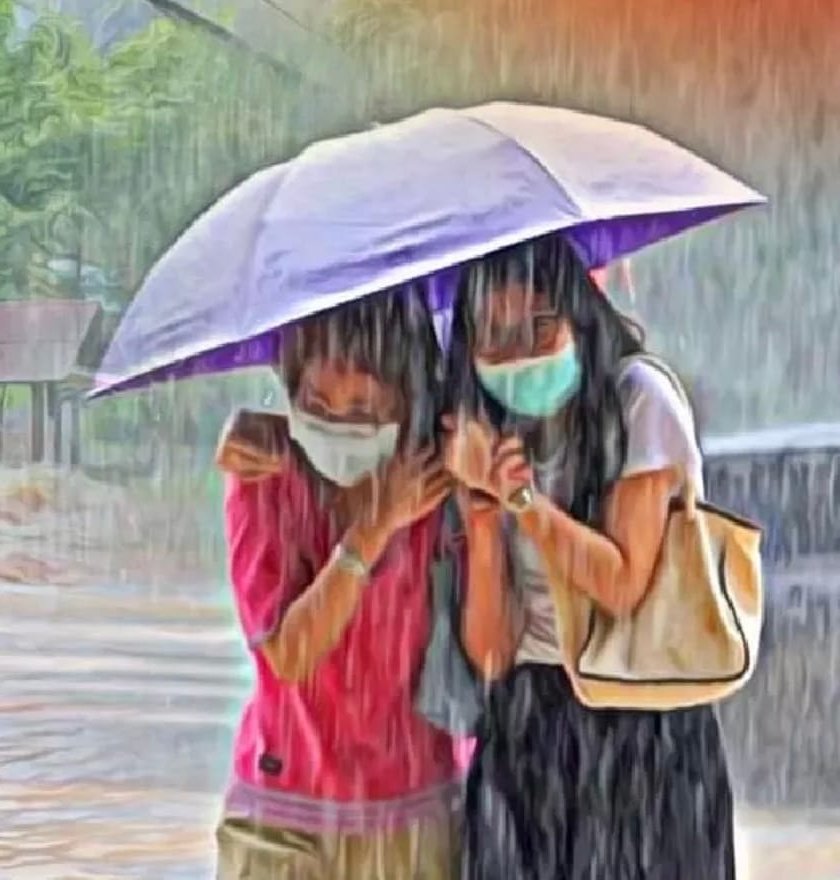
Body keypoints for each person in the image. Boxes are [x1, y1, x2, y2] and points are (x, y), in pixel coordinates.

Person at [444, 235, 736, 879]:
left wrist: (522, 499)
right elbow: (493, 653)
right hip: (529, 733)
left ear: (580, 312)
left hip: (644, 728)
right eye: (493, 335)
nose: (516, 353)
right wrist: (483, 515)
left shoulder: (639, 400)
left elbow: (622, 581)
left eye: (538, 326)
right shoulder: (487, 433)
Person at [214, 288, 460, 879]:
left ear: (408, 404)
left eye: (361, 412)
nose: (335, 426)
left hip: (411, 817)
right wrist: (372, 530)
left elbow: (488, 646)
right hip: (281, 815)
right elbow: (290, 654)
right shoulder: (265, 474)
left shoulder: (441, 485)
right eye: (316, 405)